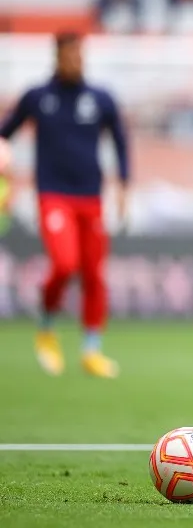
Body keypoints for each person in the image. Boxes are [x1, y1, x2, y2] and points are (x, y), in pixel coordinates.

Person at [0, 32, 129, 379]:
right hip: (53, 195)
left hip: (92, 197)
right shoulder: (38, 98)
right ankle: (46, 325)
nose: (76, 61)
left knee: (93, 275)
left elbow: (120, 143)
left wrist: (123, 189)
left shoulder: (100, 99)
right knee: (64, 263)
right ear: (57, 58)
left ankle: (91, 349)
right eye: (70, 55)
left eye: (80, 55)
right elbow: (4, 134)